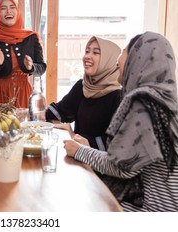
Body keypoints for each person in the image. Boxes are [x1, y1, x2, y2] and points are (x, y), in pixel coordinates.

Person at [64, 32, 178, 212]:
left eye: (125, 50)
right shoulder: (165, 102)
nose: (119, 56)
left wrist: (80, 151)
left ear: (140, 60)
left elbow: (121, 167)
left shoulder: (145, 104)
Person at [45, 36, 121, 150]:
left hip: (99, 165)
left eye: (95, 53)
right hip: (76, 156)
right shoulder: (83, 86)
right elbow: (59, 112)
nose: (87, 56)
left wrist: (76, 137)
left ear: (109, 60)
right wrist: (30, 114)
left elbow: (116, 143)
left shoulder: (118, 97)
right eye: (87, 51)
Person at [0, 0, 46, 108]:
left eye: (12, 7)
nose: (8, 11)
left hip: (23, 92)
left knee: (24, 125)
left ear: (18, 12)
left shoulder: (31, 37)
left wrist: (31, 67)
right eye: (3, 8)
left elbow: (42, 68)